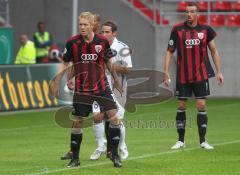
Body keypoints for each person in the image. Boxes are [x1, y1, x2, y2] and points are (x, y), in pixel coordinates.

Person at [51, 12, 123, 168]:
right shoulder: (72, 43)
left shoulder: (102, 41)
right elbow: (65, 62)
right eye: (80, 24)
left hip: (101, 87)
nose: (82, 27)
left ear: (92, 25)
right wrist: (60, 79)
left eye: (85, 24)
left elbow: (108, 61)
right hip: (82, 89)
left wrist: (116, 80)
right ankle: (75, 159)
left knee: (115, 118)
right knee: (78, 122)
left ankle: (115, 155)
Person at [163, 2, 224, 150]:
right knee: (181, 105)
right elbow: (170, 51)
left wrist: (219, 71)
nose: (189, 15)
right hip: (183, 75)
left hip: (201, 74)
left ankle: (203, 141)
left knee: (201, 105)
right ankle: (180, 141)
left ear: (198, 14)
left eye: (192, 12)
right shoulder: (177, 29)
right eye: (187, 12)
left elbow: (214, 50)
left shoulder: (206, 30)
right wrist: (165, 71)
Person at [90, 21, 132, 161]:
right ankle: (101, 146)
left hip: (117, 89)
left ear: (114, 33)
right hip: (100, 88)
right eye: (102, 32)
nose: (104, 34)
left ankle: (122, 147)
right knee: (96, 116)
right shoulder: (97, 46)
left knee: (116, 119)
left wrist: (110, 67)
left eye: (107, 32)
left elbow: (128, 69)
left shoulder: (122, 48)